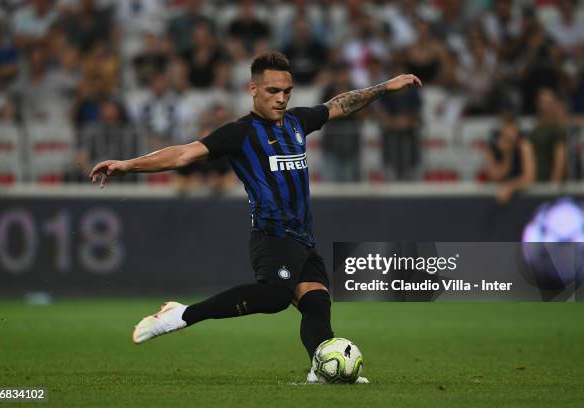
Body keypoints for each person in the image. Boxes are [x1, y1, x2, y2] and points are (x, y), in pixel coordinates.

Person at [89, 51, 421, 383]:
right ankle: (180, 315)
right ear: (253, 89)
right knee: (276, 296)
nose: (281, 99)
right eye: (272, 91)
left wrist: (385, 87)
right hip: (271, 236)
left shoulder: (297, 122)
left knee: (317, 303)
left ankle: (321, 369)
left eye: (287, 92)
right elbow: (182, 154)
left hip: (303, 237)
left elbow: (341, 104)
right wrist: (128, 165)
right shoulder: (240, 133)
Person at [483, 114, 536, 204]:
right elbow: (495, 176)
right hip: (496, 198)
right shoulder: (492, 149)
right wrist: (508, 155)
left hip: (523, 198)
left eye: (512, 128)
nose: (510, 133)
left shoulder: (524, 146)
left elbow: (529, 177)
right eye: (506, 128)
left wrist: (510, 187)